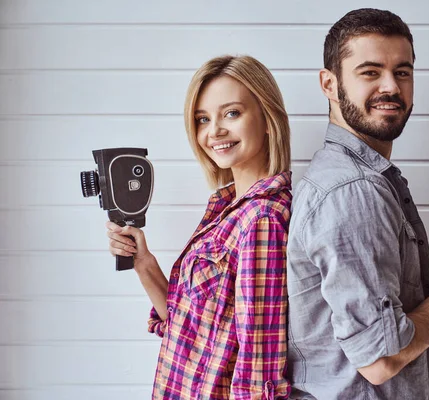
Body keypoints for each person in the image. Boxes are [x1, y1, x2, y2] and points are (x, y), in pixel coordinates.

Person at [286, 9, 429, 400]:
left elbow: (388, 322)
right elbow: (380, 360)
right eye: (370, 72)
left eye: (402, 72)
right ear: (329, 84)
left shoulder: (364, 179)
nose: (391, 86)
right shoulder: (352, 191)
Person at [106, 55, 292, 400]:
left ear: (268, 118)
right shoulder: (226, 208)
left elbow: (259, 364)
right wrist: (143, 262)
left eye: (232, 113)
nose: (214, 131)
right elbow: (187, 330)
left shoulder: (262, 219)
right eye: (202, 119)